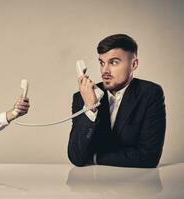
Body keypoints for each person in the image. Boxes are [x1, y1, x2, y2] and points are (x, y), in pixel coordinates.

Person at [68, 34, 166, 168]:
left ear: (134, 64)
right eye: (102, 63)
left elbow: (149, 157)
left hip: (135, 184)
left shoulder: (150, 94)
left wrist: (96, 157)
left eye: (114, 62)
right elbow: (76, 157)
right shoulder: (82, 97)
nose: (105, 70)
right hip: (92, 184)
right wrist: (90, 108)